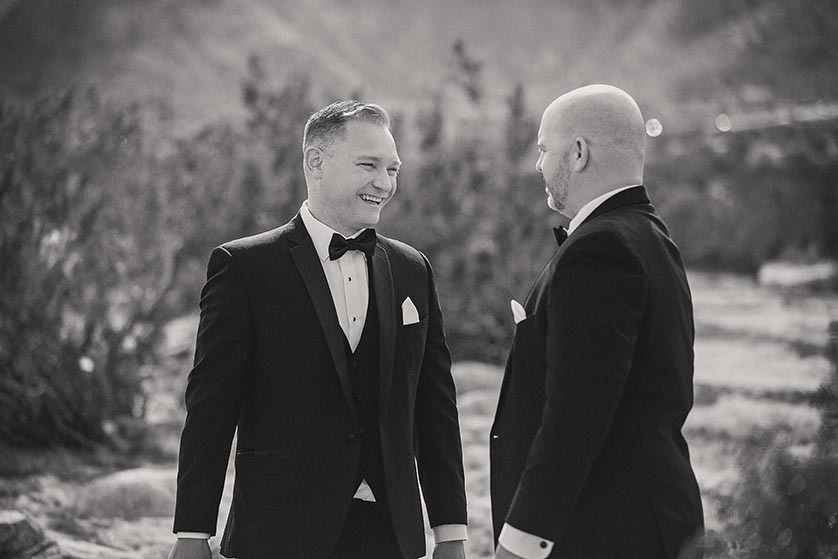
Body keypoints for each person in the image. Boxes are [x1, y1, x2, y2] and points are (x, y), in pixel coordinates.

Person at [168, 100, 468, 559]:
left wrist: (451, 532)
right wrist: (192, 532)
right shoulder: (244, 267)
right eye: (369, 165)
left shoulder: (413, 269)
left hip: (390, 536)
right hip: (278, 532)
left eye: (393, 169)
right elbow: (211, 408)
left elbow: (436, 410)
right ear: (316, 162)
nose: (384, 184)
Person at [489, 85, 704, 559]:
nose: (539, 165)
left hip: (606, 533)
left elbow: (575, 414)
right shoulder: (651, 238)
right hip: (655, 523)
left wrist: (522, 542)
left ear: (579, 153)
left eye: (544, 150)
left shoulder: (598, 250)